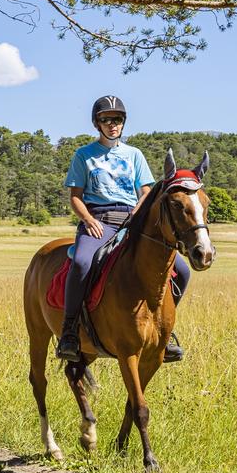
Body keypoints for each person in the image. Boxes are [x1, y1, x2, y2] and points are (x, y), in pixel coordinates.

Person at [55, 95, 191, 363]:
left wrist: (138, 214)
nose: (112, 124)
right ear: (97, 124)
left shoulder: (134, 155)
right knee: (82, 262)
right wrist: (88, 220)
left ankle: (165, 332)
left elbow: (146, 191)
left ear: (123, 123)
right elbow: (75, 196)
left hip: (131, 221)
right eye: (106, 120)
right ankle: (70, 331)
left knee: (183, 270)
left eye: (117, 119)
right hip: (98, 220)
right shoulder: (83, 155)